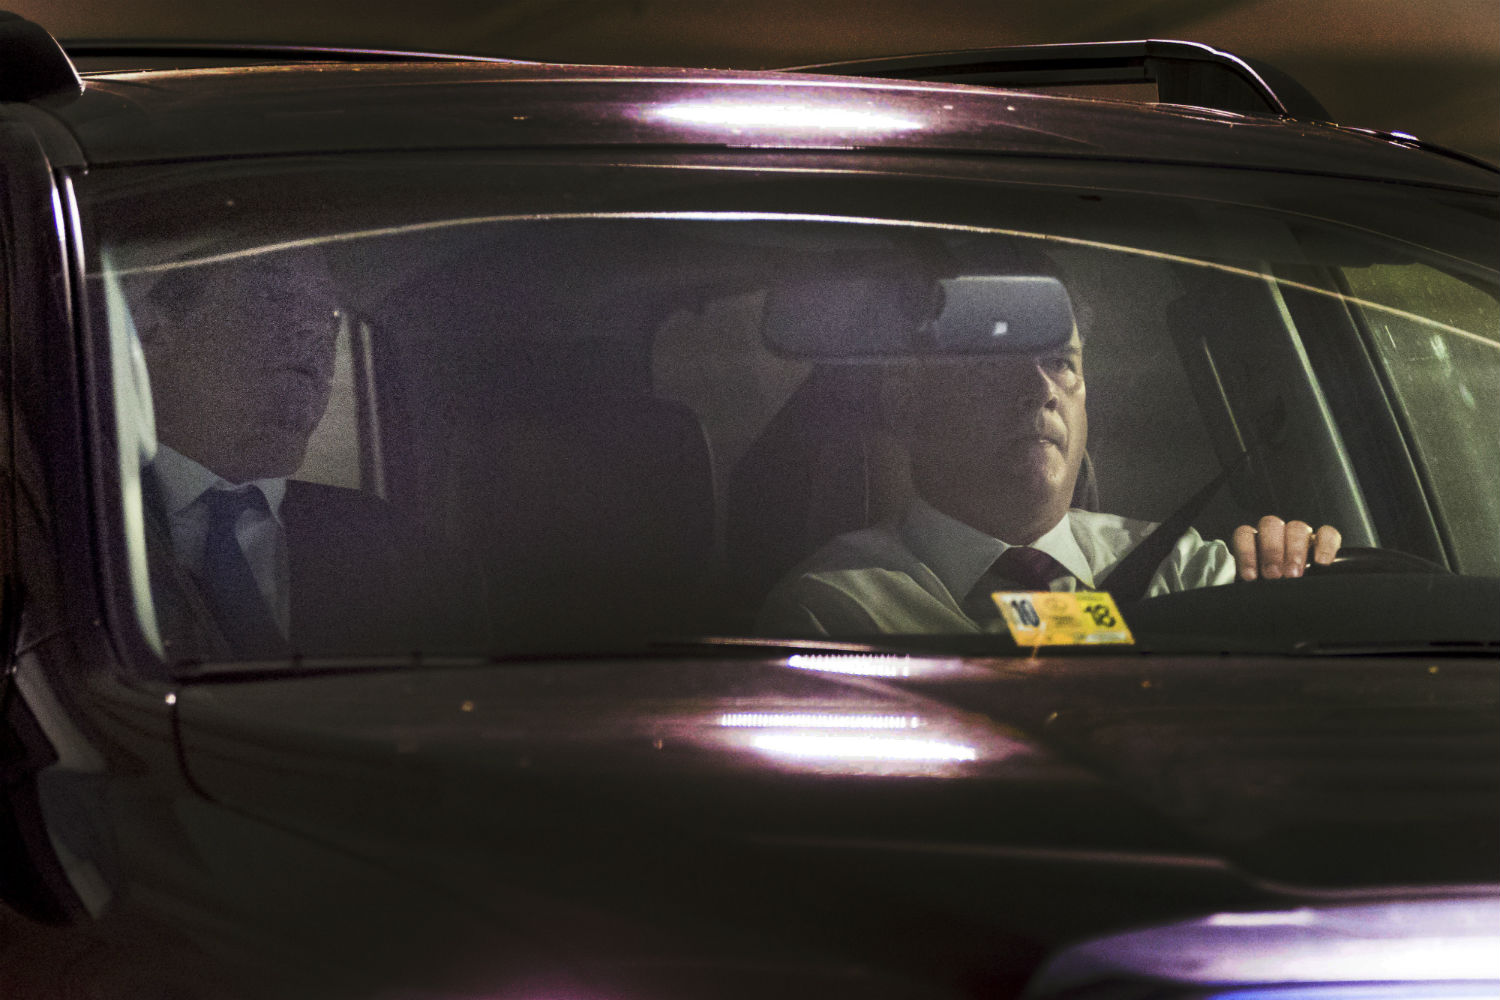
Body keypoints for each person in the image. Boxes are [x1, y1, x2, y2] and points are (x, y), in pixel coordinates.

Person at [758, 325, 1343, 636]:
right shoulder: (837, 611)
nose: (1041, 389)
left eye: (1062, 362)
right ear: (911, 401)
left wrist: (1303, 585)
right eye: (996, 363)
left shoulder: (1181, 567)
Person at [132, 250, 414, 658]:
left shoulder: (409, 560)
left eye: (331, 315)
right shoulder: (65, 527)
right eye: (274, 295)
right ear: (154, 328)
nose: (316, 332)